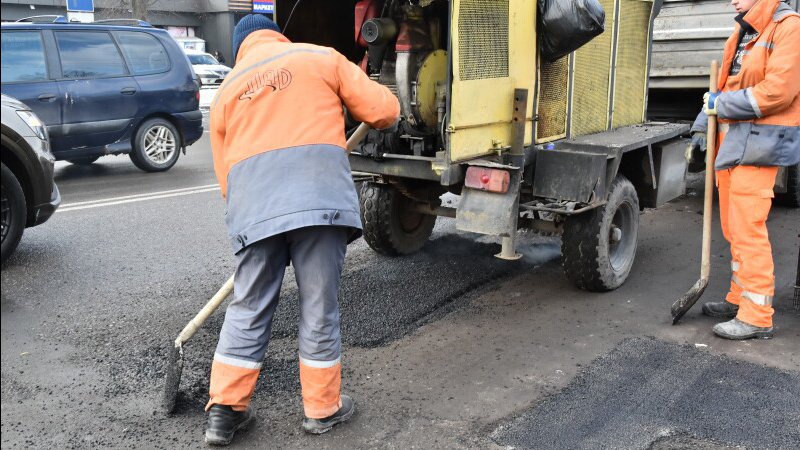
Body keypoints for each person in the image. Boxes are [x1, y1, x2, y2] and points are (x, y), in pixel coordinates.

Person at [204, 14, 399, 446]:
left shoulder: (227, 90)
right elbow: (384, 110)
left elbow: (225, 178)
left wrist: (257, 214)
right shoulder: (319, 58)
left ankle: (224, 412)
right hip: (318, 204)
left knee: (248, 307)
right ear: (278, 37)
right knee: (318, 305)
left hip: (255, 211)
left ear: (240, 49)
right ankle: (322, 410)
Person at [687, 0, 799, 340]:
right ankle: (739, 298)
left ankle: (757, 315)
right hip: (732, 143)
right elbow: (722, 86)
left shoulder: (790, 28)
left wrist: (720, 105)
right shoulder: (743, 30)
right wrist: (700, 127)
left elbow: (777, 93)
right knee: (733, 227)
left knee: (748, 228)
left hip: (760, 144)